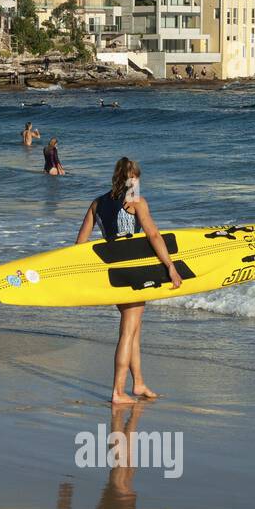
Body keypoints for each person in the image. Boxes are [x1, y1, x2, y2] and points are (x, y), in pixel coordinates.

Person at [75, 157, 181, 404]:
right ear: (132, 178)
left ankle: (139, 383)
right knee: (127, 332)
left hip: (113, 272)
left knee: (133, 330)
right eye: (137, 178)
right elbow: (153, 235)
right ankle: (117, 391)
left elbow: (80, 244)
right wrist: (170, 266)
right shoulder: (137, 202)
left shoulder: (97, 203)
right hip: (134, 273)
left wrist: (87, 276)